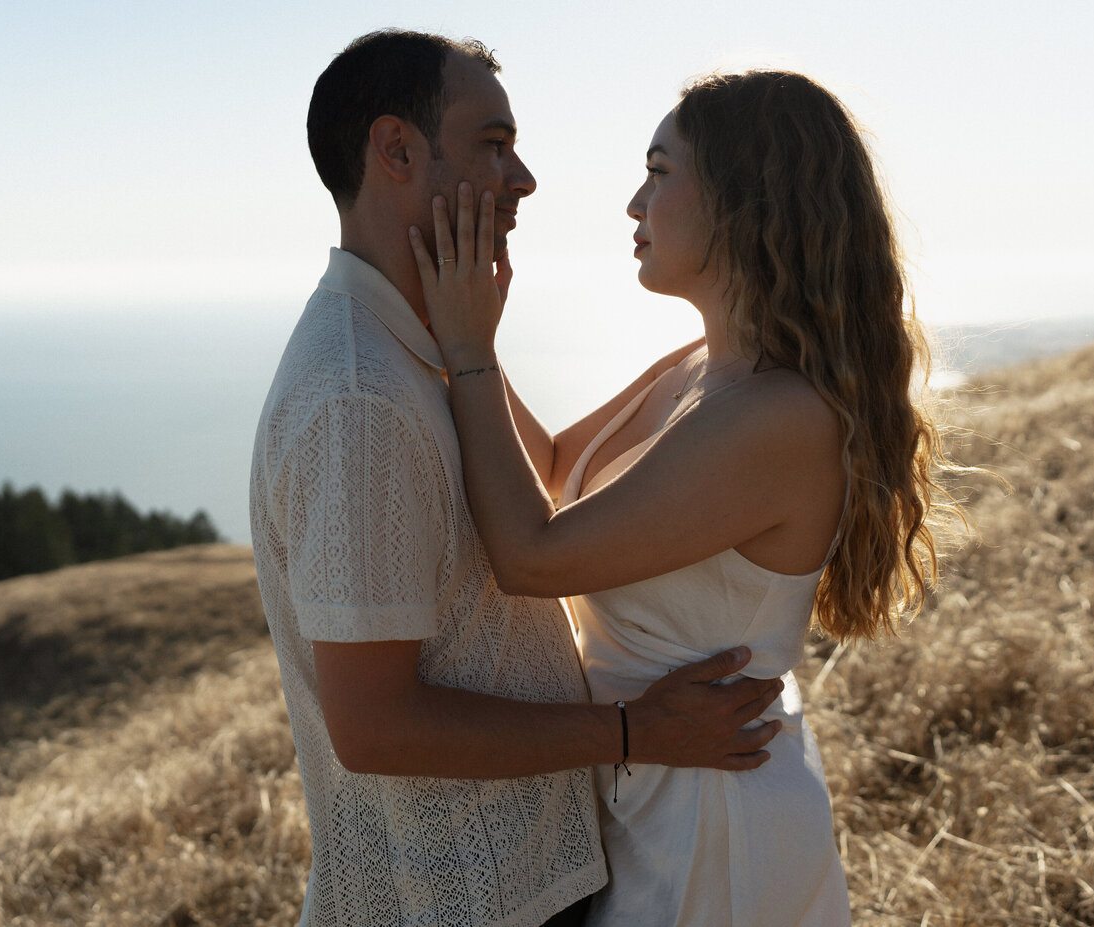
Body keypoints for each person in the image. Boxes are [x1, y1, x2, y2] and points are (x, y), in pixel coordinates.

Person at [250, 32, 789, 927]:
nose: (524, 178)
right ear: (396, 150)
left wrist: (476, 351)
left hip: (519, 886)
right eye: (493, 145)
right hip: (461, 904)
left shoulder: (419, 351)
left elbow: (546, 478)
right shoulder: (361, 395)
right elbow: (375, 726)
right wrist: (636, 731)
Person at [412, 69, 962, 926]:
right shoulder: (699, 366)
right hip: (653, 792)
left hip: (716, 822)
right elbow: (560, 467)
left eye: (660, 173)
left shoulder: (779, 416)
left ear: (745, 201)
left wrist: (467, 347)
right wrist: (457, 343)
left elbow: (532, 556)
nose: (635, 203)